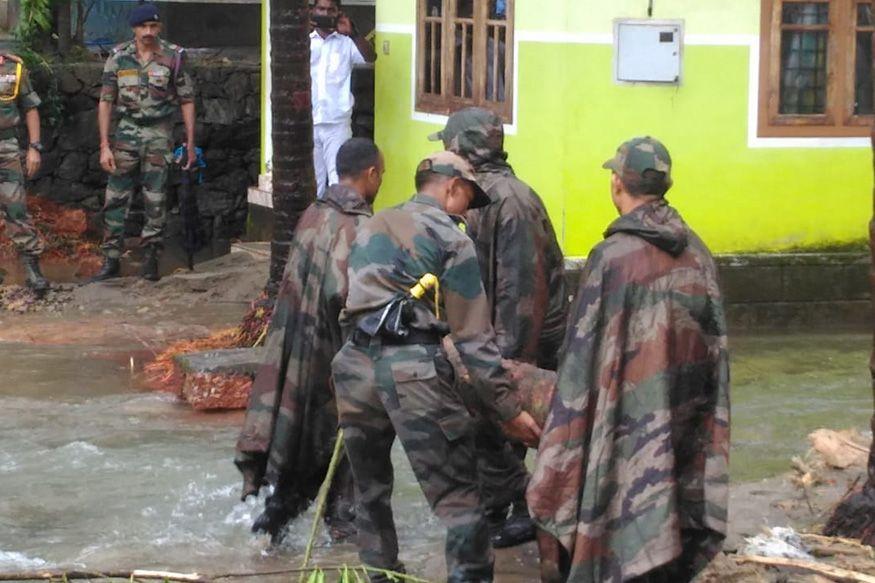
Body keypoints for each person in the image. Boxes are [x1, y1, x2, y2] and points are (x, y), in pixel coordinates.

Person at [332, 151, 542, 583]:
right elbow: (474, 342)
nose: (469, 210)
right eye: (469, 198)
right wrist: (507, 410)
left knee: (370, 493)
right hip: (411, 372)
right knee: (460, 500)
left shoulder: (372, 222)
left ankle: (381, 575)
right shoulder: (452, 239)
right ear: (452, 188)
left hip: (352, 365)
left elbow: (342, 297)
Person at [527, 137, 730, 583]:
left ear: (618, 184)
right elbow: (714, 346)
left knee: (618, 503)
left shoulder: (613, 258)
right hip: (682, 411)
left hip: (626, 416)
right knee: (669, 500)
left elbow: (581, 357)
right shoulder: (698, 250)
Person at [235, 138, 384, 543]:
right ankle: (343, 531)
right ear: (371, 174)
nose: (381, 182)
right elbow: (351, 302)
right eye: (381, 175)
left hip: (293, 353)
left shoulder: (311, 215)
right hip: (332, 361)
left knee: (296, 442)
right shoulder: (363, 229)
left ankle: (273, 530)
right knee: (343, 444)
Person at [430, 107, 566, 548]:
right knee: (481, 424)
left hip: (525, 340)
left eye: (448, 148)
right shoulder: (476, 196)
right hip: (493, 337)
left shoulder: (512, 202)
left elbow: (522, 293)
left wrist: (506, 365)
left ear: (463, 151)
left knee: (512, 424)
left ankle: (532, 510)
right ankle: (498, 505)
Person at [92, 2, 196, 282]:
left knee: (156, 199)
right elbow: (106, 101)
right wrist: (104, 145)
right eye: (143, 27)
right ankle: (111, 259)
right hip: (126, 134)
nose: (148, 32)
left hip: (159, 134)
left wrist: (189, 141)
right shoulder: (118, 57)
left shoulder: (173, 56)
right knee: (115, 198)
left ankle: (151, 259)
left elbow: (186, 100)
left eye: (153, 26)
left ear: (159, 27)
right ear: (134, 29)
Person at [310, 0, 376, 199]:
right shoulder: (304, 40)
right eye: (320, 9)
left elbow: (370, 58)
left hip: (337, 124)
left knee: (339, 181)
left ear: (339, 13)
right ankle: (315, 227)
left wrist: (353, 33)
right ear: (312, 11)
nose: (325, 13)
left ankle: (336, 227)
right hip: (309, 122)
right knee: (314, 183)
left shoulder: (346, 41)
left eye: (330, 10)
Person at [0, 53, 48, 292]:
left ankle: (32, 269)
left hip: (6, 148)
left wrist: (34, 147)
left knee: (16, 207)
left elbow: (30, 108)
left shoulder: (14, 68)